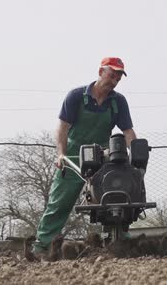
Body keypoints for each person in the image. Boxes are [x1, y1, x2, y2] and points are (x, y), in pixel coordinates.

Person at [32, 57, 137, 254]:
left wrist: (136, 154)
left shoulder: (118, 101)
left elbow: (128, 132)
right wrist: (61, 154)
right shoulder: (77, 96)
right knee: (60, 202)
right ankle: (42, 245)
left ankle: (120, 238)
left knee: (117, 194)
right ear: (100, 72)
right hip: (73, 156)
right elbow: (62, 128)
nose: (114, 80)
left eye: (118, 78)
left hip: (103, 156)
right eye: (112, 74)